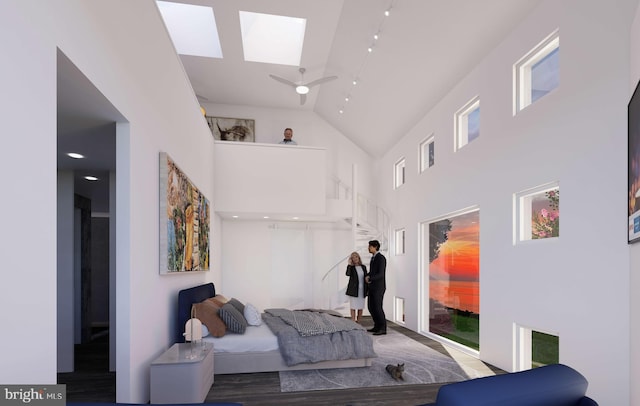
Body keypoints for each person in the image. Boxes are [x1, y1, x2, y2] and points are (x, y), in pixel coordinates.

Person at [365, 240, 387, 335]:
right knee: (371, 307)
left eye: (369, 246)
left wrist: (370, 278)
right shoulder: (373, 258)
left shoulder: (381, 258)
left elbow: (381, 274)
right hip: (372, 287)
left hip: (378, 287)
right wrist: (367, 275)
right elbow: (373, 271)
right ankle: (377, 326)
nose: (368, 248)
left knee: (378, 308)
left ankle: (383, 328)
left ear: (375, 247)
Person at [345, 251, 368, 323]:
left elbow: (366, 277)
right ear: (351, 259)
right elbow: (347, 274)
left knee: (360, 307)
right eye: (353, 257)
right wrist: (349, 265)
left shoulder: (363, 267)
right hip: (353, 290)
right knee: (353, 306)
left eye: (356, 256)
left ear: (359, 257)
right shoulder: (351, 267)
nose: (355, 258)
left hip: (362, 290)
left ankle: (358, 321)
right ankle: (353, 321)